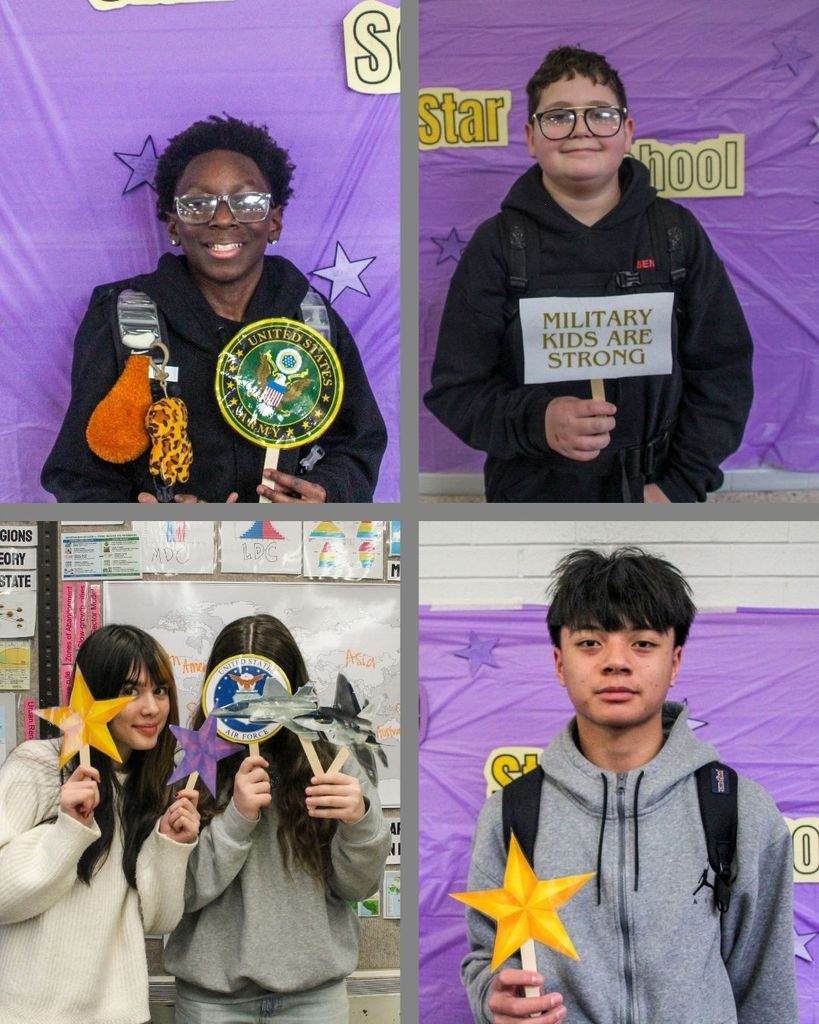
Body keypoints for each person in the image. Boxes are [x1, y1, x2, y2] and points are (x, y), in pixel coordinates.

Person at [461, 548, 797, 1023]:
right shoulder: (515, 811)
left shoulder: (738, 809)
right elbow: (486, 958)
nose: (616, 662)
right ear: (559, 663)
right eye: (590, 643)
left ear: (675, 661)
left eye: (642, 643)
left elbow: (767, 991)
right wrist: (491, 996)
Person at [424, 47, 753, 502]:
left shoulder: (676, 235)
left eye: (600, 114)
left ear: (628, 132)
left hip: (654, 487)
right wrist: (538, 419)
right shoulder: (498, 246)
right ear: (531, 136)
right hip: (531, 491)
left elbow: (723, 372)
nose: (580, 130)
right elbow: (457, 392)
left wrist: (679, 486)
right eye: (558, 117)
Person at [42, 114, 387, 503]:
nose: (223, 218)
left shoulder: (312, 320)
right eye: (198, 203)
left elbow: (358, 444)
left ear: (274, 222)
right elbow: (79, 473)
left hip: (285, 551)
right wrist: (141, 520)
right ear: (173, 225)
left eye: (247, 201)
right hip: (166, 559)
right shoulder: (124, 321)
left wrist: (327, 492)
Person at [164, 614, 391, 1023]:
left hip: (313, 1001)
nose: (256, 708)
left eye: (268, 695)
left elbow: (358, 886)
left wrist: (359, 821)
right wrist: (237, 817)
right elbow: (176, 898)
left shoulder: (331, 765)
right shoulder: (189, 767)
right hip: (212, 1003)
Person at [0, 624, 200, 1024]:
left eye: (160, 690)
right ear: (94, 695)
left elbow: (160, 920)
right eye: (130, 691)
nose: (151, 708)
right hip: (32, 1014)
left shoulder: (154, 787)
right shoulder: (38, 766)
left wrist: (170, 845)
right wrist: (68, 828)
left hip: (122, 1014)